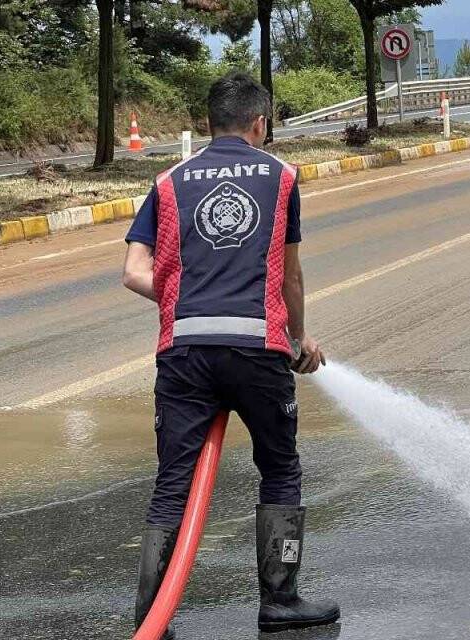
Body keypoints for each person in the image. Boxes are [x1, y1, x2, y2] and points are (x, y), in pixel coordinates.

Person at [121, 72, 338, 637]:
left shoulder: (168, 181)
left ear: (207, 122)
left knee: (173, 482)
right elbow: (290, 276)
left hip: (184, 352)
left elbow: (133, 272)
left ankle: (151, 617)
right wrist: (298, 339)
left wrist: (186, 295)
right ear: (260, 123)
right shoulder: (281, 176)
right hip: (257, 349)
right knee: (280, 468)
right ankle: (280, 600)